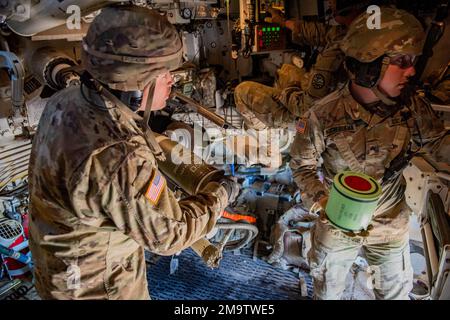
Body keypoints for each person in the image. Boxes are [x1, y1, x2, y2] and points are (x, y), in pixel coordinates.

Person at [28, 5, 238, 300]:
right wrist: (221, 195)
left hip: (58, 268)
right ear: (137, 82)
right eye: (164, 72)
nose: (172, 80)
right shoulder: (119, 156)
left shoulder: (66, 99)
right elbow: (170, 236)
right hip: (96, 288)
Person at [289, 7, 445, 300]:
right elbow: (302, 167)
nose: (411, 71)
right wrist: (323, 203)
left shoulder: (414, 109)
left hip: (390, 224)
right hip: (337, 224)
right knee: (328, 294)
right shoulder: (321, 116)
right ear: (369, 66)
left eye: (412, 61)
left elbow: (441, 149)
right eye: (401, 61)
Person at [233, 0, 364, 131]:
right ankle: (272, 114)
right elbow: (321, 32)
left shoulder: (336, 55)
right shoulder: (355, 31)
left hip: (316, 119)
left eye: (332, 2)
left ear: (345, 7)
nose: (329, 4)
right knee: (287, 70)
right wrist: (284, 22)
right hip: (325, 99)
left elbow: (304, 107)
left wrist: (285, 94)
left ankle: (261, 130)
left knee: (242, 91)